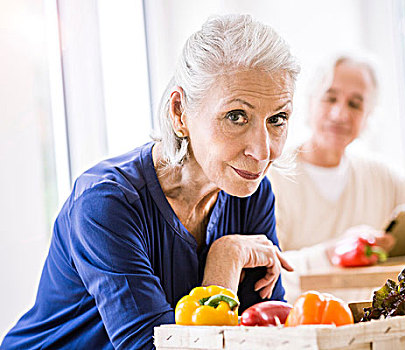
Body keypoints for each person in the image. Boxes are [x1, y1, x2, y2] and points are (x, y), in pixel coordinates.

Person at [1, 14, 299, 349]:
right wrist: (225, 259)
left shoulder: (250, 192)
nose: (262, 151)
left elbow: (266, 336)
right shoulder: (105, 203)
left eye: (278, 119)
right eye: (235, 116)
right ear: (179, 113)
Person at [268, 54, 405, 302]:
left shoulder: (381, 176)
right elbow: (264, 272)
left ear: (367, 115)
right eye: (330, 98)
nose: (340, 114)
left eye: (355, 104)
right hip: (304, 328)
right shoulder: (272, 177)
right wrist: (331, 254)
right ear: (309, 102)